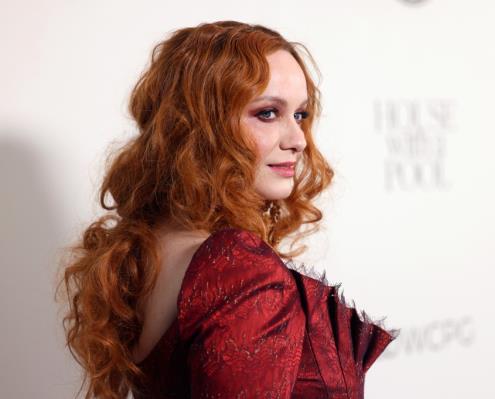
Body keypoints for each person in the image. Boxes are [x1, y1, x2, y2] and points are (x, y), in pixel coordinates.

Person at [56, 20, 399, 399]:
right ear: (202, 126)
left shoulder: (150, 249)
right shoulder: (237, 266)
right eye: (267, 113)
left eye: (300, 114)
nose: (298, 140)